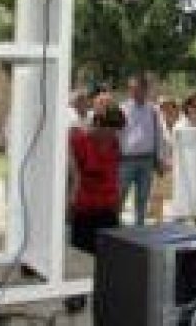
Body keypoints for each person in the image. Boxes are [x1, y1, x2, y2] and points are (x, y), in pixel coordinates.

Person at [68, 105, 126, 253]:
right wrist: (71, 203)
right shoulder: (78, 142)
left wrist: (118, 200)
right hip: (85, 212)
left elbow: (115, 174)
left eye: (116, 130)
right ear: (98, 124)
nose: (113, 134)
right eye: (110, 129)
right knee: (82, 257)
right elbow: (73, 177)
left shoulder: (114, 144)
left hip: (108, 210)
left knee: (110, 256)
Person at [118, 73, 163, 227]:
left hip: (147, 159)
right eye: (132, 89)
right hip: (126, 159)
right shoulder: (122, 109)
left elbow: (158, 134)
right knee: (120, 195)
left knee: (143, 197)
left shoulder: (153, 110)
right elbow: (117, 134)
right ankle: (114, 228)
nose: (135, 92)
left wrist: (159, 159)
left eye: (138, 88)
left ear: (145, 89)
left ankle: (140, 228)